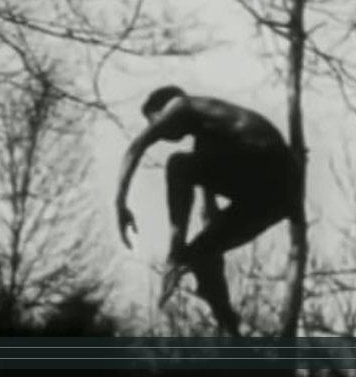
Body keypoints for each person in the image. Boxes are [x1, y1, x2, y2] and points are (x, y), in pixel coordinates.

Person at [115, 85, 302, 309]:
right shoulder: (210, 136)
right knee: (199, 254)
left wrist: (120, 202)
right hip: (278, 196)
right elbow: (210, 214)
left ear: (162, 110)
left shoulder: (181, 105)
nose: (160, 133)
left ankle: (175, 252)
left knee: (177, 165)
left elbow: (137, 146)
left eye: (154, 121)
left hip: (263, 159)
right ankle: (230, 331)